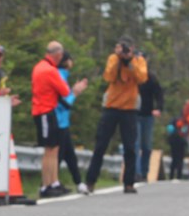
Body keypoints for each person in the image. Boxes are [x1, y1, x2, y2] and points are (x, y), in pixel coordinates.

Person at [85, 38, 146, 192]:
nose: (124, 51)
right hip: (111, 106)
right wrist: (119, 59)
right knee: (101, 145)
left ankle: (129, 183)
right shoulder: (113, 59)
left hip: (129, 108)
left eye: (127, 48)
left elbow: (142, 78)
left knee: (130, 147)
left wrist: (130, 61)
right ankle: (90, 181)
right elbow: (109, 76)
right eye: (122, 48)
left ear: (132, 48)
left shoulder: (138, 60)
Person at [30, 41, 87, 198]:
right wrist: (75, 91)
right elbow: (65, 91)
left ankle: (52, 182)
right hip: (45, 111)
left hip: (47, 111)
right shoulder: (50, 70)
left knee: (54, 149)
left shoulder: (40, 67)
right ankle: (46, 185)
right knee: (50, 149)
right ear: (58, 55)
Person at [53, 50, 86, 194]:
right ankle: (50, 183)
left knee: (69, 154)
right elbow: (64, 102)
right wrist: (75, 93)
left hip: (63, 121)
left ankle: (79, 183)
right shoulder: (59, 76)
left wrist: (72, 91)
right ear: (66, 61)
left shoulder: (62, 75)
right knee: (59, 155)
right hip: (58, 120)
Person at [136, 57, 164, 183]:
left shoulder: (151, 77)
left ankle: (144, 172)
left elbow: (159, 94)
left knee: (146, 145)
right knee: (135, 144)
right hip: (134, 114)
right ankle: (136, 172)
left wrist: (159, 108)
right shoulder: (133, 76)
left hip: (147, 115)